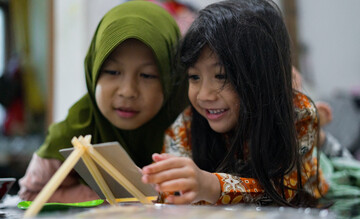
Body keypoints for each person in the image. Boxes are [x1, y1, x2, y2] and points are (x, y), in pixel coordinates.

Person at [142, 0, 329, 207]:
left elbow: (284, 190)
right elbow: (174, 196)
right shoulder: (186, 124)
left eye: (222, 76)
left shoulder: (299, 114)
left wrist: (212, 185)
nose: (204, 95)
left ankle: (324, 135)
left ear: (262, 74)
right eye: (194, 77)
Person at [18, 0, 187, 203]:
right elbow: (31, 193)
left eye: (147, 75)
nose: (127, 91)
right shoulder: (77, 128)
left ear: (172, 79)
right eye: (112, 72)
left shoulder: (193, 127)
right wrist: (109, 199)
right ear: (93, 71)